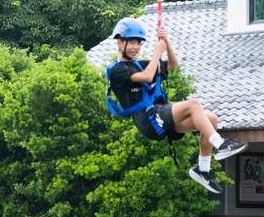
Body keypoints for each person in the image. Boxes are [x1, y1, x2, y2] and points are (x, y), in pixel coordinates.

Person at [106, 17, 247, 194]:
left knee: (211, 119)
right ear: (119, 41)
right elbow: (147, 77)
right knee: (194, 105)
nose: (136, 47)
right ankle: (220, 144)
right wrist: (157, 53)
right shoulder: (117, 70)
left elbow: (173, 68)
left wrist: (167, 43)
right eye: (132, 42)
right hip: (147, 119)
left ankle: (202, 169)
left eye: (139, 43)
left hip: (159, 113)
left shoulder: (140, 64)